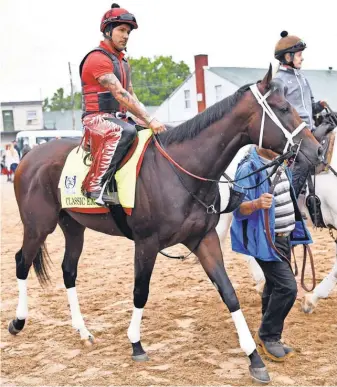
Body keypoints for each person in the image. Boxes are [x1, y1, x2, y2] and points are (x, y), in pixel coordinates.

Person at [230, 146, 312, 362]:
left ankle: (269, 337)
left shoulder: (280, 162)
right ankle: (268, 335)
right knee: (287, 288)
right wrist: (257, 204)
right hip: (266, 242)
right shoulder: (248, 168)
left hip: (285, 239)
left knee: (275, 285)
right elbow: (237, 208)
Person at [80, 3, 166, 203]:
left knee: (155, 132)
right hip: (96, 119)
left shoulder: (124, 62)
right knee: (124, 132)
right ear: (108, 31)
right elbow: (119, 94)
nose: (126, 35)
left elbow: (131, 96)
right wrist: (149, 119)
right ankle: (93, 185)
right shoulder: (97, 58)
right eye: (121, 30)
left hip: (121, 117)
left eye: (128, 32)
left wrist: (147, 119)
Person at [273, 31, 327, 198]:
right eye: (298, 55)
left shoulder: (302, 78)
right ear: (288, 57)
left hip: (309, 130)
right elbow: (276, 113)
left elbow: (309, 107)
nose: (301, 58)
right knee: (304, 161)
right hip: (292, 136)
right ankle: (291, 201)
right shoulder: (278, 81)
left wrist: (319, 106)